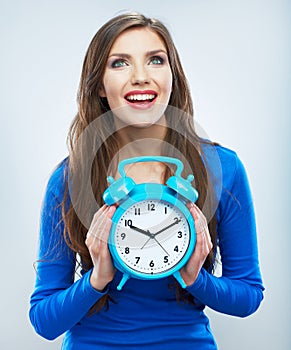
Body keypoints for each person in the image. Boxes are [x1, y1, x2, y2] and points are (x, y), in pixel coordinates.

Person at [29, 12, 264, 349]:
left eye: (155, 60)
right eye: (120, 63)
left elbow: (248, 296)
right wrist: (97, 279)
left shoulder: (222, 168)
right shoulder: (70, 177)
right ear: (98, 85)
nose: (141, 76)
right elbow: (44, 321)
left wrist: (198, 280)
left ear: (173, 76)